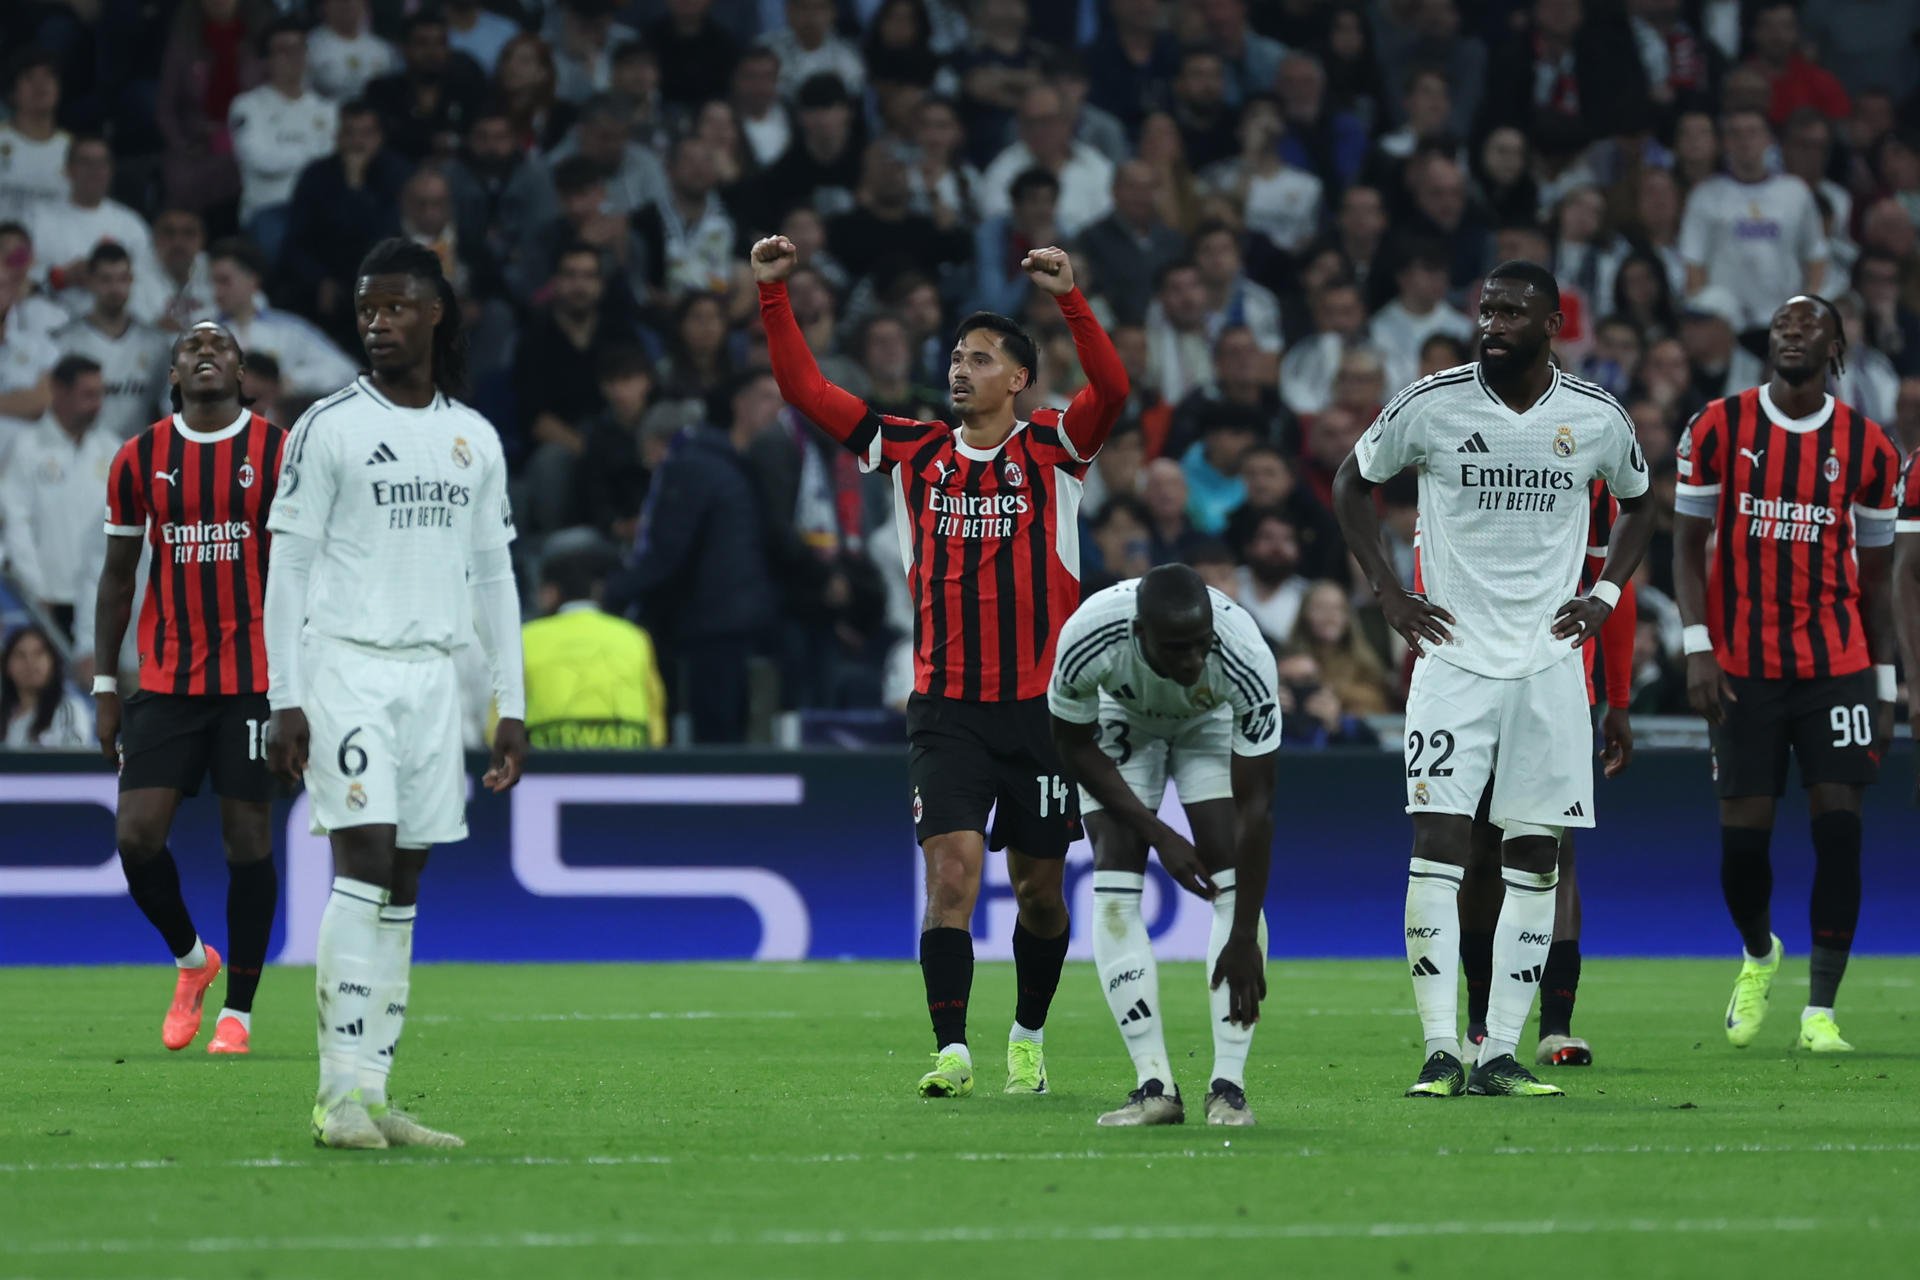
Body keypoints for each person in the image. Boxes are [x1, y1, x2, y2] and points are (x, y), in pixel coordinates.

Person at [755, 232, 1126, 1100]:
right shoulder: (911, 450)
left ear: (1019, 379)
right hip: (946, 708)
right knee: (950, 875)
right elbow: (805, 390)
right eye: (956, 357)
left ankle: (1027, 1035)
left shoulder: (1054, 451)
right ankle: (952, 1049)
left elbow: (1115, 388)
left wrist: (1072, 298)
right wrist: (773, 294)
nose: (961, 370)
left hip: (1041, 710)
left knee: (1040, 896)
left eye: (982, 358)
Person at [1332, 260, 1653, 1098]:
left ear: (1552, 324)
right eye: (1486, 308)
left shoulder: (1593, 417)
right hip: (1454, 661)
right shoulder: (1430, 403)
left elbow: (1645, 499)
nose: (1492, 320)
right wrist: (1390, 593)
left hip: (1549, 665)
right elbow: (1350, 483)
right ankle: (1443, 1047)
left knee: (1536, 858)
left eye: (1512, 310)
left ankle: (1502, 1052)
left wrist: (1607, 593)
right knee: (1439, 847)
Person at [263, 239, 527, 1149]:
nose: (377, 322)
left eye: (396, 307)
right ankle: (336, 1096)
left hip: (433, 678)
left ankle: (374, 1093)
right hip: (345, 666)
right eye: (367, 308)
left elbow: (495, 577)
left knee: (406, 875)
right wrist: (283, 694)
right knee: (365, 855)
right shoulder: (327, 425)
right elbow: (287, 566)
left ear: (436, 314)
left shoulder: (471, 437)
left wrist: (512, 702)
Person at [1673, 295, 1898, 1054]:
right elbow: (1687, 542)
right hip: (1741, 665)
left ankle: (1821, 1011)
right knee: (1744, 847)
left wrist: (1887, 682)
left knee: (1840, 832)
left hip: (1837, 665)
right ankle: (1760, 952)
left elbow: (1878, 577)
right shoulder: (1717, 426)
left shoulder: (1868, 448)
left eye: (1807, 327)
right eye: (1780, 327)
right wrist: (1697, 645)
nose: (1791, 335)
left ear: (1836, 345)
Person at [93, 321, 287, 1057]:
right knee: (136, 838)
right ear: (174, 373)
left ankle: (238, 1013)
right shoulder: (138, 459)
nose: (206, 353)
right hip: (168, 679)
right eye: (191, 348)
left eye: (221, 346)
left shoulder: (277, 451)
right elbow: (117, 579)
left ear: (242, 371)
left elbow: (306, 570)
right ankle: (190, 961)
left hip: (253, 679)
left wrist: (305, 683)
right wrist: (108, 683)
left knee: (247, 842)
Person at [1048, 566, 1277, 1126]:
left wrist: (1244, 932)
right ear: (1138, 632)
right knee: (1115, 870)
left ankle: (1229, 1086)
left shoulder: (1244, 655)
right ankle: (1154, 1086)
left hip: (1209, 721)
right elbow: (1071, 744)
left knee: (1228, 872)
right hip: (1125, 721)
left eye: (1202, 646)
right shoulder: (1089, 635)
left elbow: (1258, 809)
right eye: (1177, 649)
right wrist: (1160, 835)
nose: (1193, 661)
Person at [1457, 480, 1641, 1069]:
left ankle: (1555, 1025)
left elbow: (1614, 592)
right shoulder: (1468, 468)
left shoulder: (1591, 485)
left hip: (1561, 688)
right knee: (1481, 853)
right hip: (1473, 685)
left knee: (1552, 852)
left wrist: (1619, 697)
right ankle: (1482, 1022)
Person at [0, 354, 115, 641]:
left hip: (101, 598)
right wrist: (35, 589)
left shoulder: (111, 448)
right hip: (46, 597)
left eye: (100, 394)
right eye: (88, 395)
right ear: (60, 392)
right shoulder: (27, 448)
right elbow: (16, 523)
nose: (97, 404)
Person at [523, 549, 667, 749]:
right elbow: (656, 720)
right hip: (627, 765)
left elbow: (497, 728)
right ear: (596, 590)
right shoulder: (634, 636)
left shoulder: (525, 638)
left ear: (550, 592)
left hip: (547, 769)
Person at [52, 243, 171, 441]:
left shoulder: (156, 344)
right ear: (90, 281)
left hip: (138, 457)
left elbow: (168, 406)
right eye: (106, 280)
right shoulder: (65, 342)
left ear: (132, 280)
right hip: (82, 457)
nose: (115, 288)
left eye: (122, 279)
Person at [1, 623, 91, 747]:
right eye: (20, 655)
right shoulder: (6, 717)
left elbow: (72, 763)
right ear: (7, 666)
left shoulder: (67, 711)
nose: (30, 663)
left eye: (38, 654)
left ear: (52, 662)